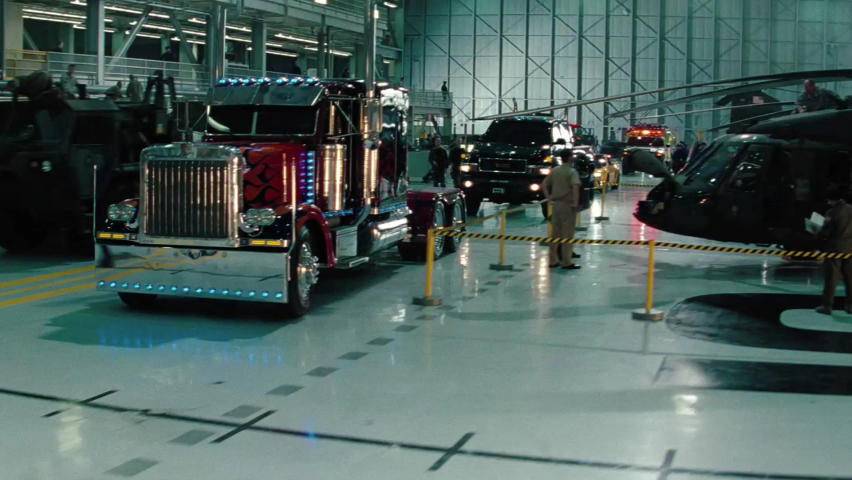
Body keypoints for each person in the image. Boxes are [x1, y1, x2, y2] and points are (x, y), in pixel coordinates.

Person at [542, 149, 581, 270]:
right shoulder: (572, 171)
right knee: (567, 235)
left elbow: (544, 184)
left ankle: (553, 261)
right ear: (569, 158)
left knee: (555, 234)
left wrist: (549, 198)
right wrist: (575, 203)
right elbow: (575, 187)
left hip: (556, 205)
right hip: (567, 205)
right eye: (572, 156)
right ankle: (566, 262)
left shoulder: (555, 170)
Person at [816, 187, 852, 315]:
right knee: (850, 277)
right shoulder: (850, 208)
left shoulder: (832, 212)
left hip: (835, 247)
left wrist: (817, 232)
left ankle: (827, 306)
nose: (828, 203)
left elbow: (827, 230)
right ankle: (850, 306)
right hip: (850, 247)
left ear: (832, 199)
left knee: (831, 277)